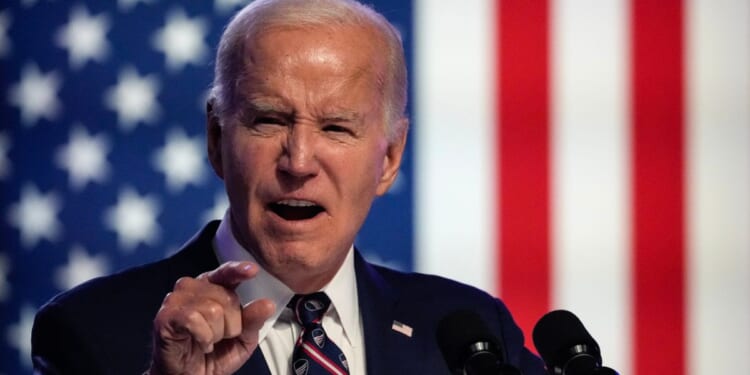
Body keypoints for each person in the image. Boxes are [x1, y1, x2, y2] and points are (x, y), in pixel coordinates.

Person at [31, 0, 546, 374]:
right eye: (269, 120)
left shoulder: (469, 334)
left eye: (336, 128)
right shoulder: (92, 331)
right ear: (216, 138)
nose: (298, 161)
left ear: (389, 158)